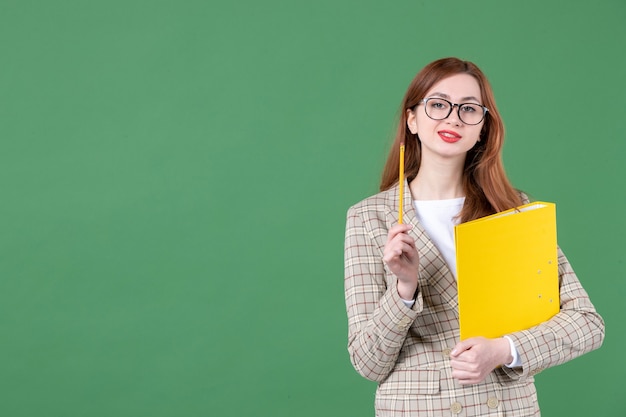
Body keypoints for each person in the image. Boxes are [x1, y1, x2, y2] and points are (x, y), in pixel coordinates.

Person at [343, 57, 605, 416]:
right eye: (438, 104)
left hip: (506, 407)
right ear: (412, 119)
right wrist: (404, 290)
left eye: (468, 109)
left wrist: (504, 349)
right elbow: (368, 362)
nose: (453, 118)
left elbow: (587, 323)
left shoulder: (512, 211)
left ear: (482, 127)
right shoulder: (368, 218)